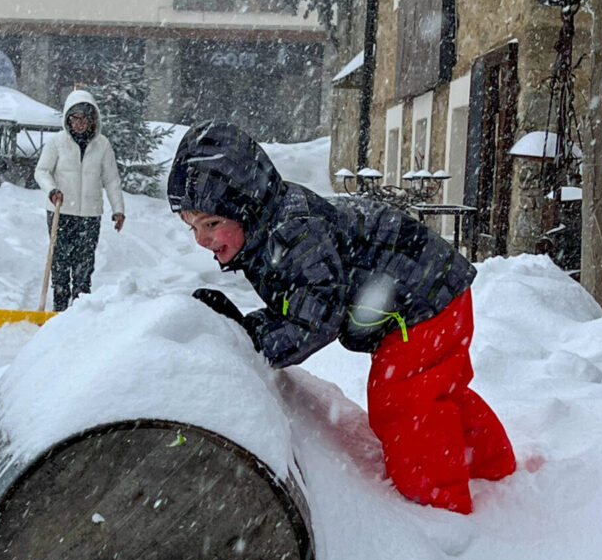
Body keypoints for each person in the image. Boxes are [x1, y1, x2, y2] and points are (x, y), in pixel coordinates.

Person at [167, 121, 516, 516]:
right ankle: (491, 465)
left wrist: (253, 346)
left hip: (422, 303)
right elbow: (298, 304)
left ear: (247, 208)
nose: (201, 238)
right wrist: (249, 329)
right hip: (429, 290)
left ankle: (438, 507)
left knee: (405, 404)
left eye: (212, 223)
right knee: (436, 391)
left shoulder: (294, 235)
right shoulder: (268, 232)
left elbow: (314, 321)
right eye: (192, 226)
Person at [34, 88, 125, 311]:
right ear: (68, 118)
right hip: (60, 211)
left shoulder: (102, 145)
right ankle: (60, 307)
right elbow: (42, 171)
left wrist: (118, 210)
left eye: (85, 118)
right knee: (60, 262)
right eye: (75, 118)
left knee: (84, 265)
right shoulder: (57, 142)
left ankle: (80, 311)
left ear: (93, 119)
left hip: (89, 214)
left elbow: (111, 180)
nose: (80, 123)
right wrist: (52, 190)